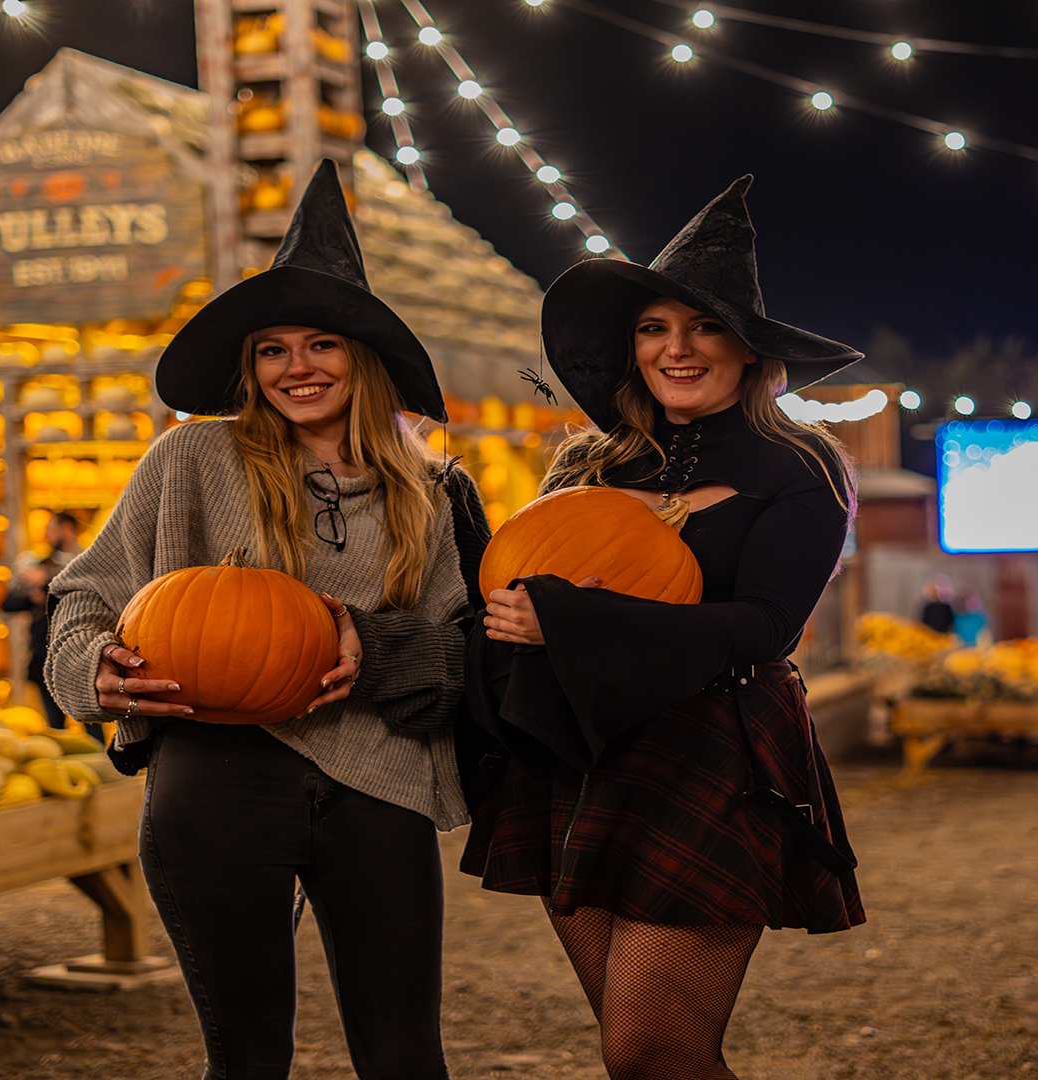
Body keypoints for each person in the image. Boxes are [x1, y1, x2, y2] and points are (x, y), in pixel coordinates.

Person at [46, 160, 488, 1080]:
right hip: (216, 777)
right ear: (250, 367)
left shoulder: (437, 494)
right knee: (245, 1058)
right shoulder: (191, 460)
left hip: (379, 780)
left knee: (405, 1054)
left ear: (361, 359)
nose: (297, 369)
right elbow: (85, 594)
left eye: (321, 345)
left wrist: (379, 653)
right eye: (273, 350)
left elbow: (472, 654)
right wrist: (91, 668)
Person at [462, 176, 865, 1079]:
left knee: (655, 1048)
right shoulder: (588, 462)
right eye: (654, 329)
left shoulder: (800, 467)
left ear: (751, 349)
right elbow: (527, 584)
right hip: (580, 753)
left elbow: (764, 626)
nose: (676, 349)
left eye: (704, 327)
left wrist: (574, 619)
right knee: (627, 1050)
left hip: (711, 753)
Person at [3, 511, 82, 729]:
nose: (46, 535)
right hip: (45, 650)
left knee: (90, 719)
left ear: (66, 529)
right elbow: (9, 604)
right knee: (54, 722)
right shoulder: (39, 564)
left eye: (50, 529)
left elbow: (84, 594)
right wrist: (32, 594)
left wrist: (47, 585)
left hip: (81, 650)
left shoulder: (88, 562)